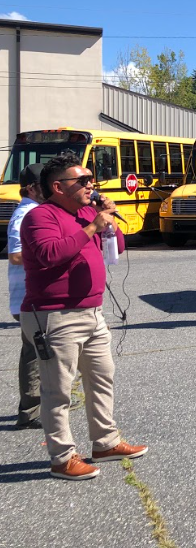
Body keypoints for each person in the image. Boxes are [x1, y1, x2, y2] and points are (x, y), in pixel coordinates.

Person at [19, 152, 148, 481]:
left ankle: (105, 442)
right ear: (59, 187)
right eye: (84, 181)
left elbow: (116, 246)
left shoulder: (90, 211)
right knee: (58, 391)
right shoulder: (40, 217)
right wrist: (92, 225)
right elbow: (50, 255)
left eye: (92, 180)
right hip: (54, 316)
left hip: (92, 311)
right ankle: (62, 458)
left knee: (102, 377)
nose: (91, 186)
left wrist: (108, 218)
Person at [7, 163, 45, 429]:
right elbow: (15, 255)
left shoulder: (36, 211)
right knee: (35, 353)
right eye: (46, 184)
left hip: (35, 297)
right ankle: (29, 410)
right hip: (28, 298)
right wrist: (53, 255)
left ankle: (37, 405)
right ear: (32, 188)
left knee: (39, 352)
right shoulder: (24, 215)